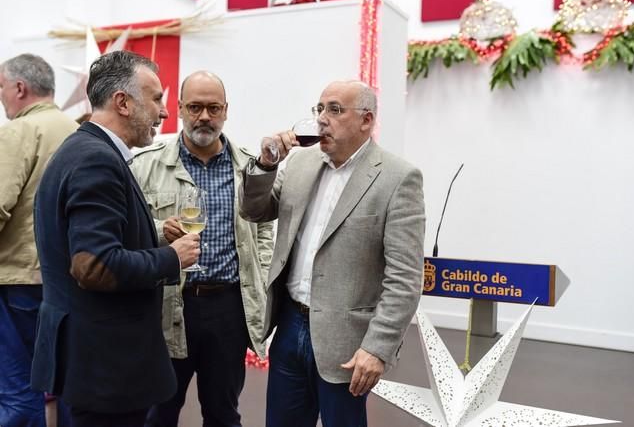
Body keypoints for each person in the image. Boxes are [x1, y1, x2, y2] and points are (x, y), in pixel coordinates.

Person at [239, 80, 426, 427]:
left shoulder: (398, 178)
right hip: (290, 322)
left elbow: (405, 278)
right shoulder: (299, 164)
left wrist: (377, 348)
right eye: (320, 109)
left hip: (348, 342)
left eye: (335, 110)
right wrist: (266, 165)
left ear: (366, 120)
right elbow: (255, 210)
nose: (323, 119)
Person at [31, 50, 201, 427]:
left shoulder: (83, 150)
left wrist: (150, 238)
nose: (164, 112)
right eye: (156, 99)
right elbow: (94, 265)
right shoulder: (97, 159)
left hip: (91, 361)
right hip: (106, 367)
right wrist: (172, 257)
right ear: (122, 102)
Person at [131, 70, 274, 427]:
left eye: (213, 108)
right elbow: (127, 230)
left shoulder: (247, 167)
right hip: (167, 306)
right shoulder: (145, 165)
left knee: (223, 413)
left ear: (226, 110)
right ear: (179, 108)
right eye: (195, 107)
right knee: (158, 412)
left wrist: (263, 279)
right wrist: (160, 230)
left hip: (228, 309)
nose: (204, 117)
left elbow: (264, 231)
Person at [0, 53, 78, 427]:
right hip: (67, 282)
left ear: (19, 87)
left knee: (18, 392)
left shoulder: (18, 131)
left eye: (0, 87)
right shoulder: (78, 131)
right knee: (64, 384)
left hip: (18, 283)